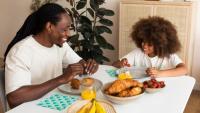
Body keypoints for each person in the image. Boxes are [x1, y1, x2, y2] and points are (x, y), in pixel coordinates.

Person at [4, 3, 98, 108]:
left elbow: (80, 65)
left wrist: (88, 66)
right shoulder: (20, 52)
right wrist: (61, 79)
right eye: (64, 29)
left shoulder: (59, 45)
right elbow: (14, 98)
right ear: (49, 27)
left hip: (55, 104)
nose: (69, 34)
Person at [112, 16, 187, 77]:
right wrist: (121, 63)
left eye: (150, 45)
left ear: (160, 45)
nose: (144, 46)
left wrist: (160, 73)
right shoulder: (137, 52)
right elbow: (113, 65)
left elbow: (184, 69)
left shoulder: (169, 55)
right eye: (143, 42)